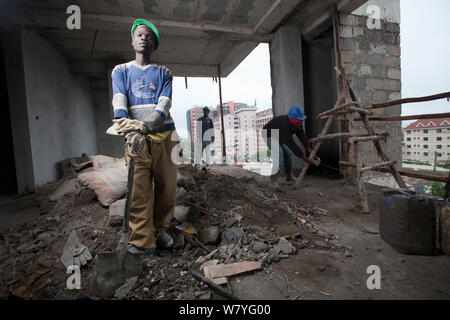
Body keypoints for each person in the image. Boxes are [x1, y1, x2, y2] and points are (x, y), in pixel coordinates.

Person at [111, 19, 178, 256]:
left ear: (154, 44)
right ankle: (141, 240)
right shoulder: (121, 71)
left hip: (164, 136)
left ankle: (159, 230)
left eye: (149, 36)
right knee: (139, 190)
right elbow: (119, 98)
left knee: (167, 187)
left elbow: (164, 104)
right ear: (132, 40)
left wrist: (148, 123)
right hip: (135, 138)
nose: (143, 38)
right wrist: (126, 126)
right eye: (139, 35)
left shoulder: (164, 73)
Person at [263, 106, 320, 183]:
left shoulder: (298, 123)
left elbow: (302, 138)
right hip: (269, 134)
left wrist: (312, 153)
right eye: (299, 120)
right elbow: (292, 145)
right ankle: (273, 182)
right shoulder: (284, 125)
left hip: (280, 135)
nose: (301, 121)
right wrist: (307, 160)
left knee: (289, 154)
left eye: (302, 119)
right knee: (279, 155)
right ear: (291, 118)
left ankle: (289, 176)